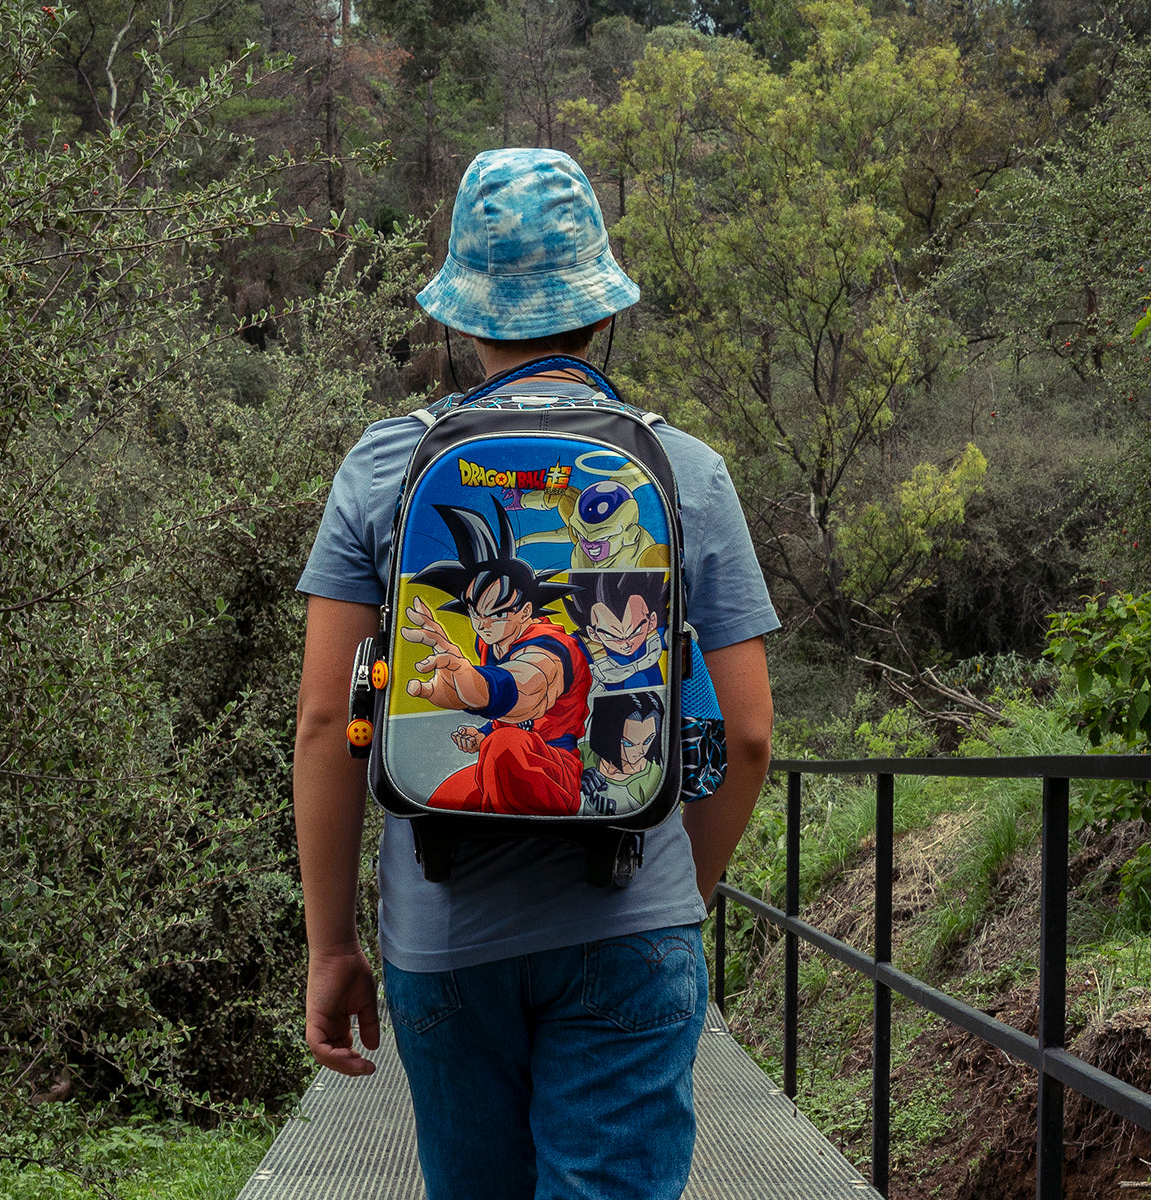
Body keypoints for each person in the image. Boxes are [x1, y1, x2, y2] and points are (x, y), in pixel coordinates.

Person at [293, 147, 778, 1200]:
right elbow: (748, 736)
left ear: (466, 320)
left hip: (443, 936)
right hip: (630, 919)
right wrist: (679, 899)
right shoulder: (684, 469)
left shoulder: (385, 464)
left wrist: (332, 948)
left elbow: (328, 723)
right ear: (601, 315)